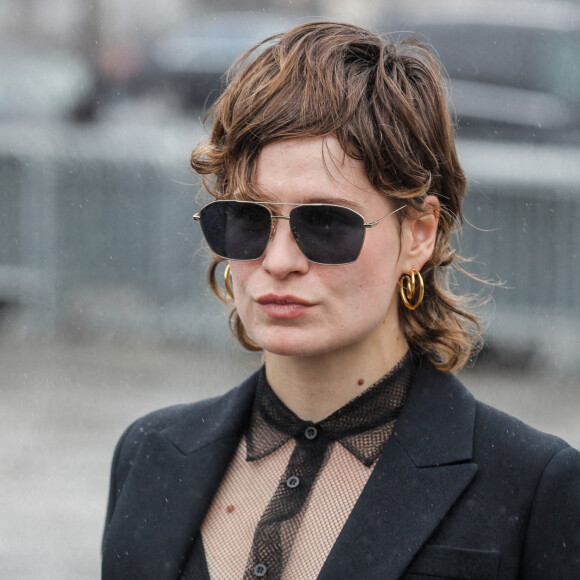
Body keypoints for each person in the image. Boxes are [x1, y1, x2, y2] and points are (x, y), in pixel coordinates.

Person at [101, 21, 580, 579]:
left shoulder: (533, 485)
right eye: (246, 221)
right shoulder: (149, 455)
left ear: (419, 233)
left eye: (326, 223)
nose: (279, 261)